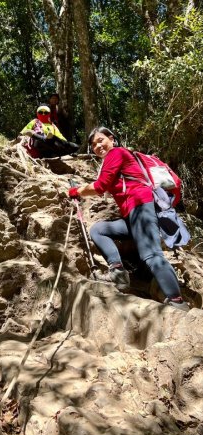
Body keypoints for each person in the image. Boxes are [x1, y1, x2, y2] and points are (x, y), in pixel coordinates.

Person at [68, 126, 189, 311]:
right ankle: (118, 273)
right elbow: (104, 185)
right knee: (98, 230)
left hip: (141, 205)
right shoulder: (113, 159)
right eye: (93, 145)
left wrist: (77, 191)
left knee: (151, 254)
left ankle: (177, 302)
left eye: (101, 140)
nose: (97, 146)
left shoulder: (116, 153)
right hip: (133, 214)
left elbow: (100, 187)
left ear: (112, 139)